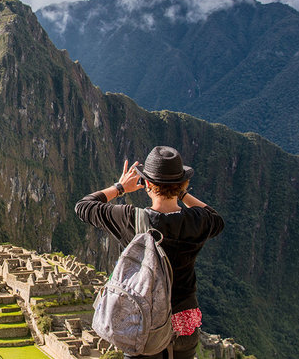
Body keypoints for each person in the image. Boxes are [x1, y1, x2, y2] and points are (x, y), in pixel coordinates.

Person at [75, 146, 224, 359]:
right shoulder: (197, 221)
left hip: (142, 324)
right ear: (184, 183)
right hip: (184, 325)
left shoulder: (129, 219)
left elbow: (84, 206)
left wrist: (119, 188)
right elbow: (216, 218)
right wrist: (182, 193)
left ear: (147, 185)